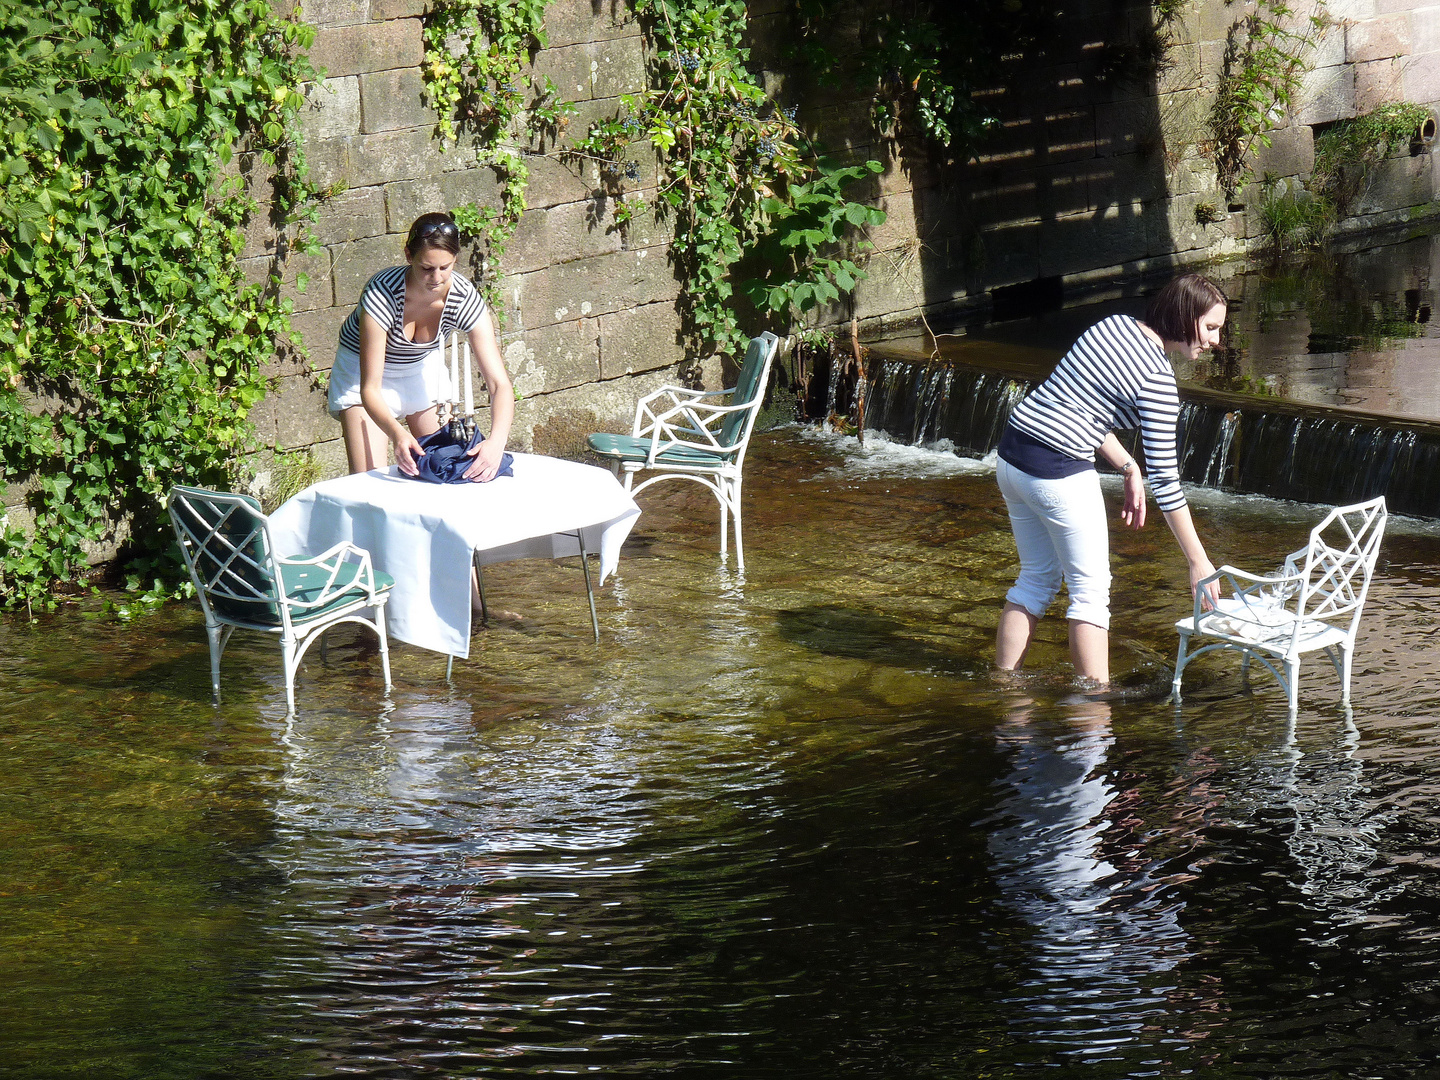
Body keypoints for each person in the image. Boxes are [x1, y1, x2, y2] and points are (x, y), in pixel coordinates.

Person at [993, 273, 1227, 685]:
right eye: (1210, 327)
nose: (1214, 341)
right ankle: (1092, 716)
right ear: (1185, 316)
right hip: (1056, 471)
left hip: (1012, 457)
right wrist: (1197, 561)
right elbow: (1168, 483)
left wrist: (1127, 465)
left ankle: (1003, 685)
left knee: (1035, 579)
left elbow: (1077, 404)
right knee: (1090, 595)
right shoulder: (1158, 382)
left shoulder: (1111, 325)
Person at [328, 212, 514, 482]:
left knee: (446, 468)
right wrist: (397, 434)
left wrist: (496, 443)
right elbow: (370, 388)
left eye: (446, 267)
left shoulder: (464, 299)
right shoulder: (382, 293)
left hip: (421, 368)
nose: (436, 278)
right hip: (363, 376)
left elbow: (500, 384)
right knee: (369, 483)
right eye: (426, 268)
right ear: (408, 256)